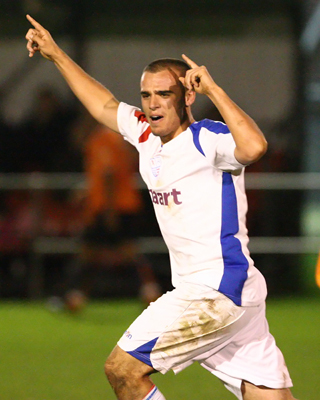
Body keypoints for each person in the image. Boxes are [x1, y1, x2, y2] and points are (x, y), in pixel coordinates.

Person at [25, 15, 297, 400]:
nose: (152, 105)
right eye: (145, 95)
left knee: (122, 369)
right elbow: (103, 104)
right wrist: (55, 55)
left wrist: (215, 91)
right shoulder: (144, 134)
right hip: (235, 294)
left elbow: (254, 148)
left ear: (187, 96)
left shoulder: (209, 138)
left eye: (163, 94)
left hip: (215, 293)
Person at [65, 109, 161, 309]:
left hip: (113, 207)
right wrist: (87, 192)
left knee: (96, 251)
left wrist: (109, 212)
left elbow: (109, 175)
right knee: (118, 251)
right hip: (118, 205)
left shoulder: (103, 140)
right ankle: (149, 290)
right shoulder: (111, 139)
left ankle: (77, 296)